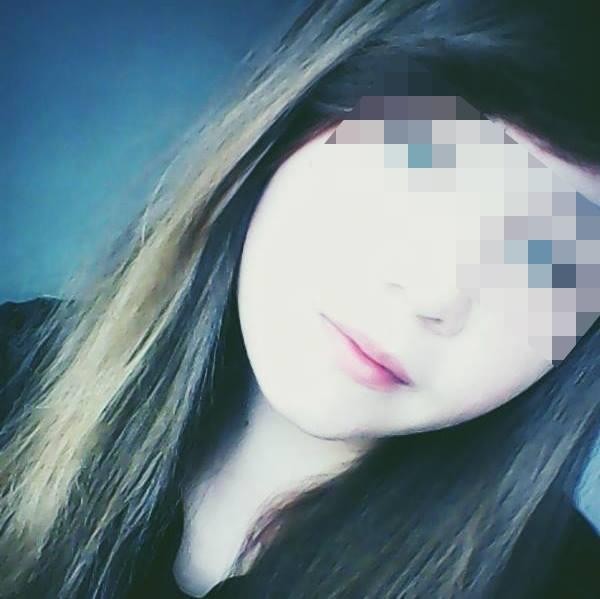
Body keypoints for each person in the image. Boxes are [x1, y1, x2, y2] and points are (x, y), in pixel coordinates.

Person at [0, 1, 599, 597]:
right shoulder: (18, 376)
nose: (432, 291)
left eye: (550, 257)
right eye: (421, 154)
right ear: (294, 116)